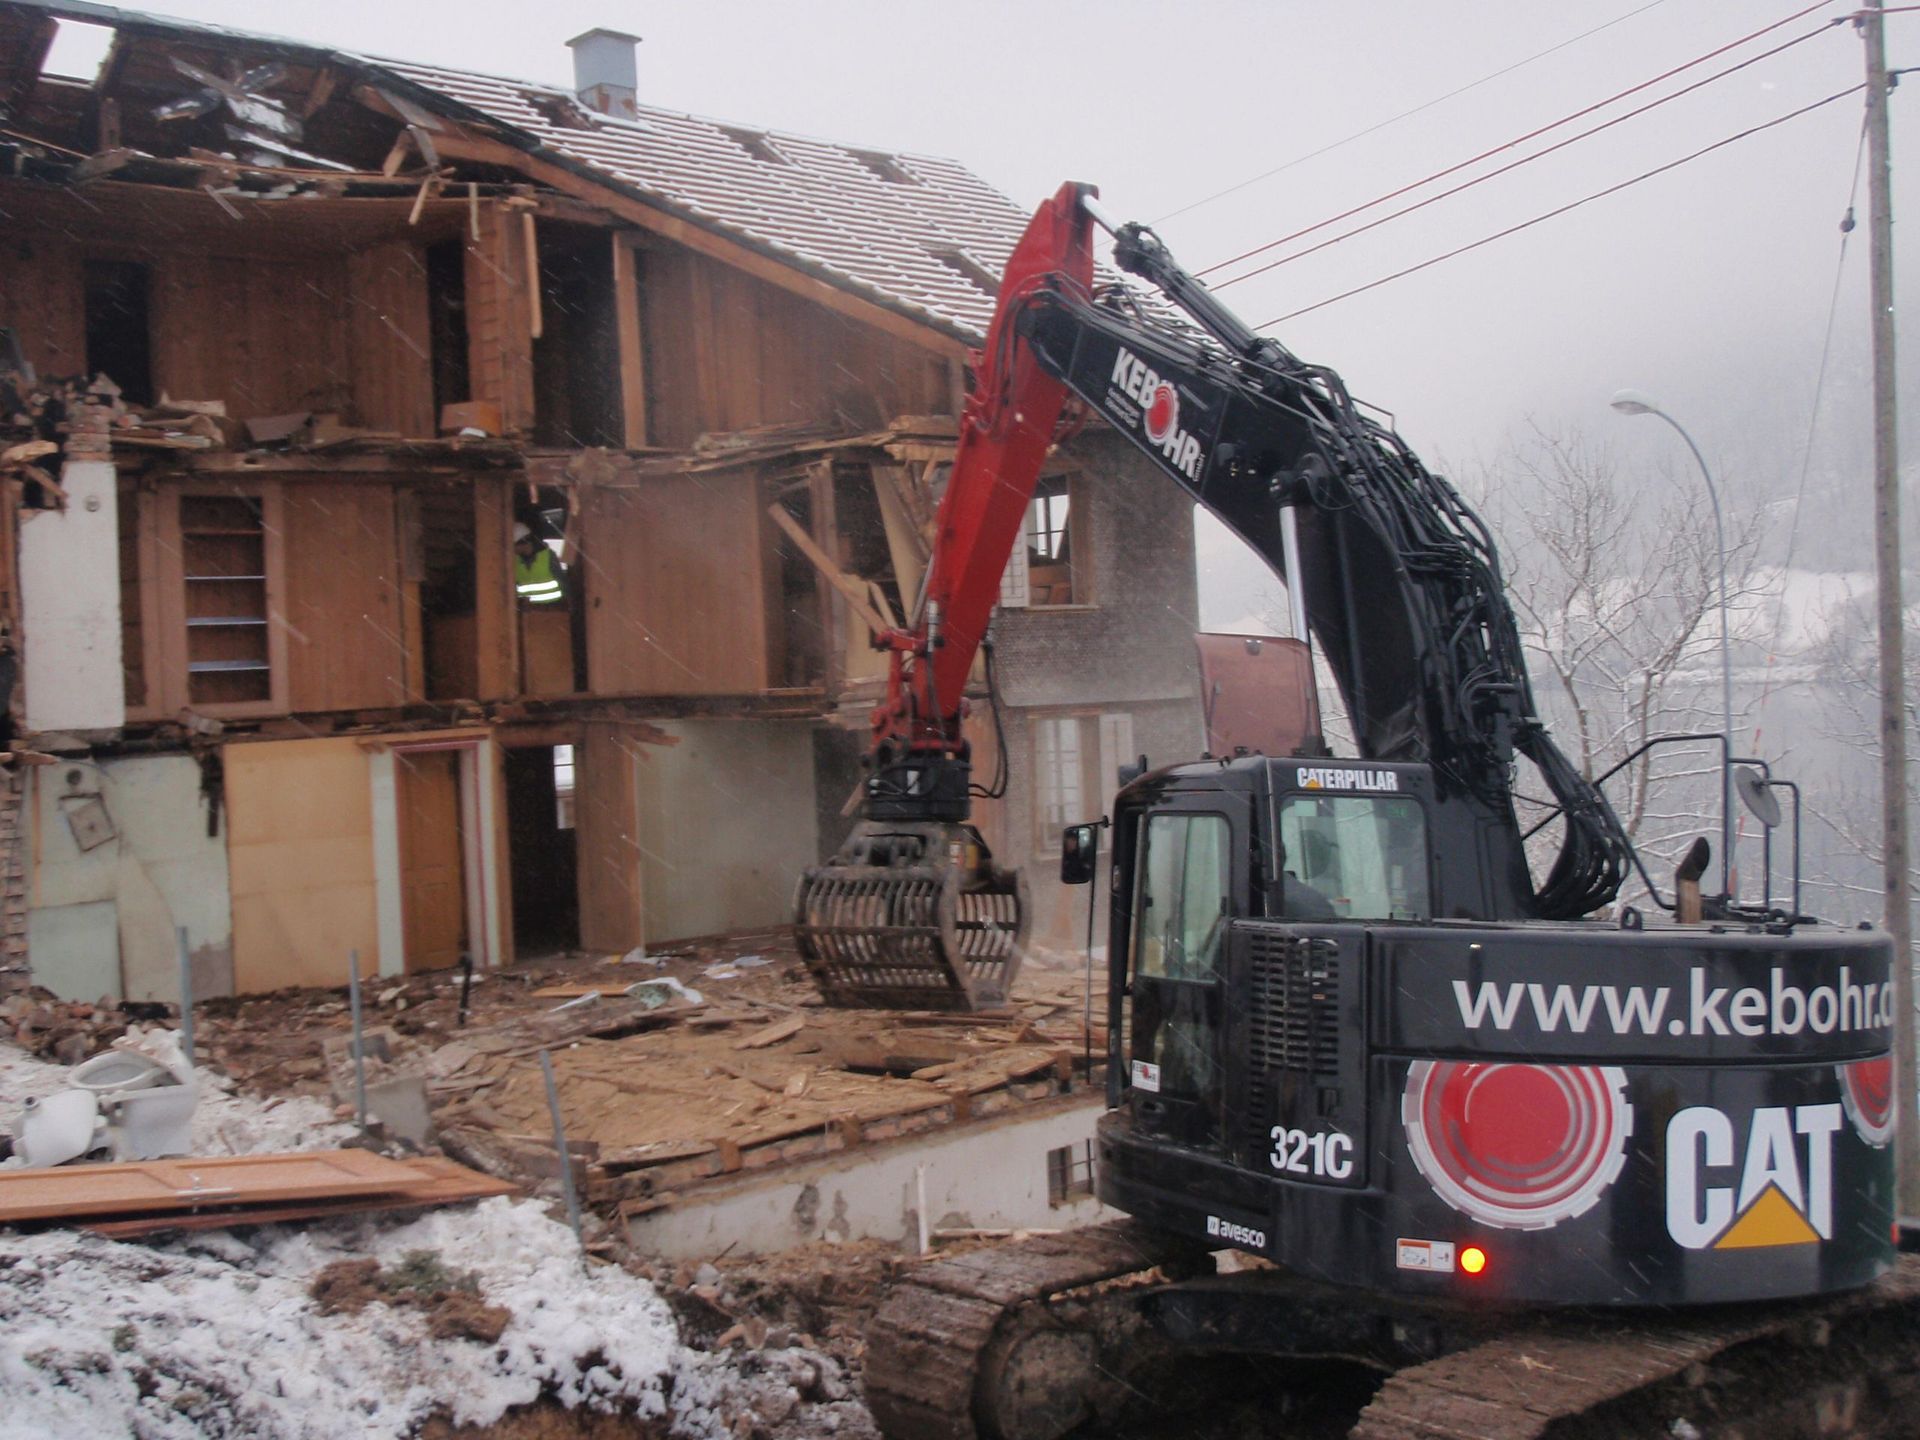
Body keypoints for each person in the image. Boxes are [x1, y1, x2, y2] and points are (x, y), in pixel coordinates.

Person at [512, 521, 566, 606]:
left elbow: (563, 582)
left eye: (513, 545)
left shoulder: (548, 556)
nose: (511, 549)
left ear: (523, 542)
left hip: (553, 609)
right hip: (528, 612)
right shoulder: (514, 561)